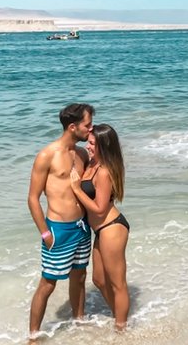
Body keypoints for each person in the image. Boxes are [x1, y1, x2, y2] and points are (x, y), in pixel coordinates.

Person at [27, 103, 94, 340]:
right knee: (48, 283)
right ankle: (33, 336)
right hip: (58, 229)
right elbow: (33, 199)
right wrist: (46, 234)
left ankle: (79, 320)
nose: (91, 128)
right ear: (73, 126)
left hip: (82, 227)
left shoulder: (82, 154)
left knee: (80, 275)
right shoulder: (47, 155)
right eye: (87, 124)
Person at [70, 123, 130, 331]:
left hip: (112, 227)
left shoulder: (104, 172)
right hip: (100, 231)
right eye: (88, 141)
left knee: (118, 283)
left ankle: (122, 330)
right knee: (98, 279)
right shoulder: (92, 164)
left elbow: (99, 209)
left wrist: (77, 190)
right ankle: (119, 316)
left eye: (93, 143)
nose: (88, 146)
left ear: (104, 146)